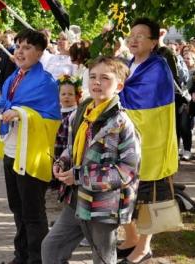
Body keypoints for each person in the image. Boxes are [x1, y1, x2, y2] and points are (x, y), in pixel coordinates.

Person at [0, 29, 61, 264]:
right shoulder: (14, 77)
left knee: (32, 212)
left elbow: (50, 118)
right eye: (18, 46)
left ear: (40, 53)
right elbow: (3, 106)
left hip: (30, 154)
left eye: (27, 47)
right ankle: (21, 256)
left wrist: (19, 112)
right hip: (12, 151)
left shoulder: (45, 82)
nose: (20, 51)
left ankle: (37, 259)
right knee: (17, 209)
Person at [41, 56, 140, 264]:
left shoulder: (121, 123)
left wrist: (78, 176)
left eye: (105, 78)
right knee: (51, 247)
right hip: (76, 199)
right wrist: (62, 163)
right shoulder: (81, 114)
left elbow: (126, 171)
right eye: (93, 76)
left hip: (104, 206)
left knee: (102, 258)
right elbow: (70, 148)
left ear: (119, 85)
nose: (97, 82)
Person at [117, 18, 179, 264]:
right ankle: (131, 238)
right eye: (131, 34)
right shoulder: (129, 65)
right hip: (129, 141)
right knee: (125, 193)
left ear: (154, 42)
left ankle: (144, 247)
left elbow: (142, 103)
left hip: (151, 142)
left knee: (147, 197)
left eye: (141, 35)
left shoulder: (157, 67)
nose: (133, 39)